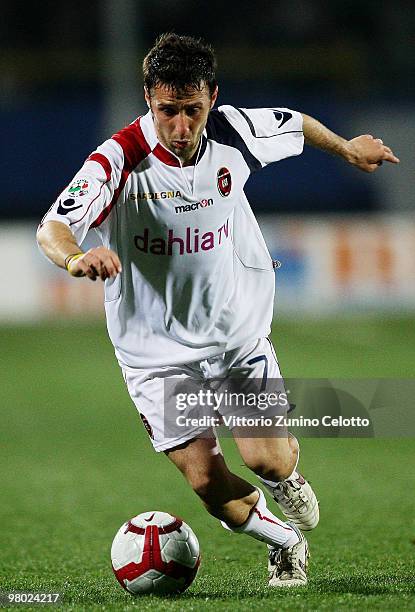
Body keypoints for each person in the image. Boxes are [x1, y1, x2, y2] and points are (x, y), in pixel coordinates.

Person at [37, 33, 399, 587]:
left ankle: (286, 476)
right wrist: (76, 258)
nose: (180, 128)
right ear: (147, 100)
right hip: (154, 352)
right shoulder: (119, 160)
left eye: (192, 111)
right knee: (208, 484)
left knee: (268, 461)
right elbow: (53, 227)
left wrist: (347, 148)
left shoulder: (231, 131)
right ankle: (285, 541)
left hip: (235, 333)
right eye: (166, 112)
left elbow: (295, 122)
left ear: (212, 99)